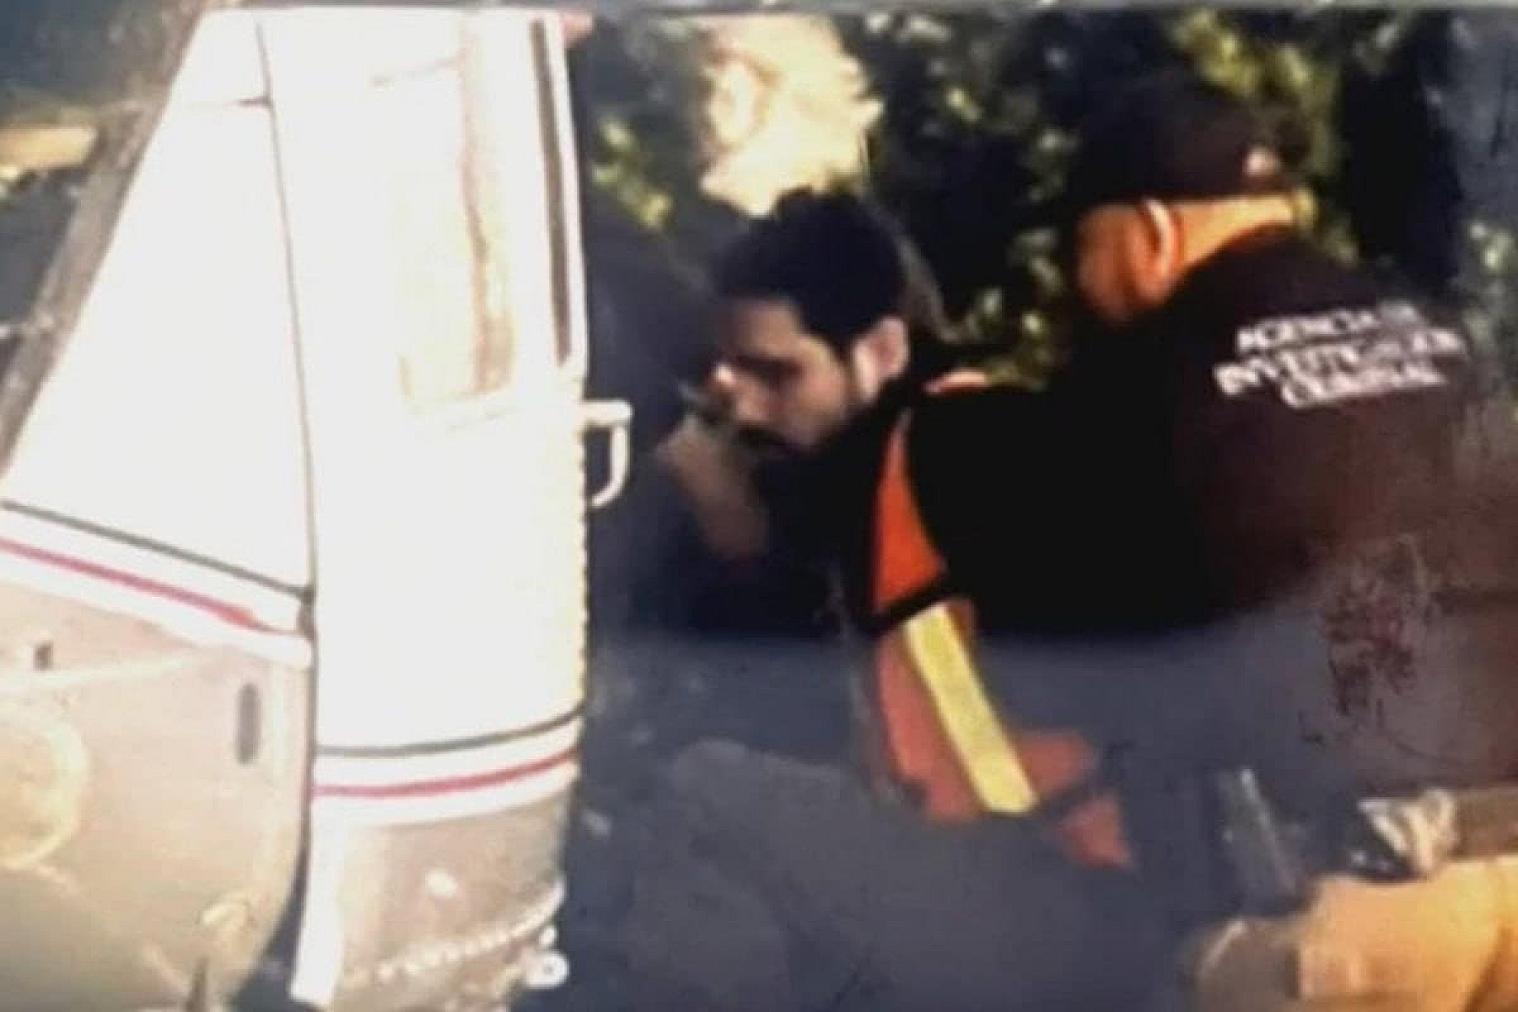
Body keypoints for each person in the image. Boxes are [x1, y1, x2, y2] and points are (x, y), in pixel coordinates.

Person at [604, 190, 1174, 1012]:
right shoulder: (865, 481)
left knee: (705, 788)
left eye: (778, 374)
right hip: (1005, 876)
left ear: (880, 350)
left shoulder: (975, 449)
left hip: (1068, 886)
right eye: (734, 378)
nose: (747, 409)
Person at [1061, 71, 1518, 1011]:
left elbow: (1096, 660)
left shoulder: (1144, 380)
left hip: (1353, 914)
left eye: (1083, 248)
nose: (1077, 283)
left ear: (1150, 232)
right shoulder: (1447, 337)